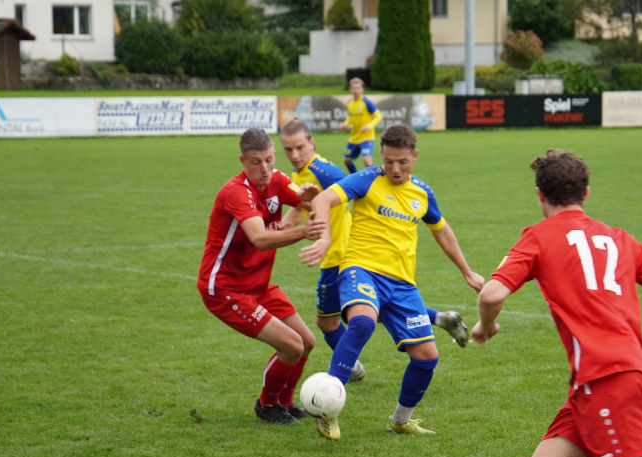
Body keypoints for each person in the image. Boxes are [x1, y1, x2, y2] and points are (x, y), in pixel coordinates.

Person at [471, 150, 642, 457]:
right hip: (595, 382)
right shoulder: (618, 238)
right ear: (586, 193)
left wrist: (484, 327)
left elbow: (490, 295)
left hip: (605, 376)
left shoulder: (538, 236)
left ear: (540, 195)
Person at [300, 123, 485, 440]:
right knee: (362, 323)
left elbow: (441, 230)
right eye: (388, 161)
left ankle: (400, 421)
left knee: (427, 357)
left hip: (401, 284)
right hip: (361, 269)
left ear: (415, 155)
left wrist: (466, 270)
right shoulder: (368, 179)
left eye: (402, 161)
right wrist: (327, 234)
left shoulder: (422, 193)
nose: (395, 169)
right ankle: (327, 406)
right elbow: (322, 200)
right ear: (381, 157)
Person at [278, 119, 471, 388]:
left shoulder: (325, 171)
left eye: (299, 147)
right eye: (288, 149)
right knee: (354, 315)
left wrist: (325, 234)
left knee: (337, 319)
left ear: (312, 143)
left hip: (344, 256)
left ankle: (351, 374)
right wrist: (285, 225)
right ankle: (435, 318)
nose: (294, 154)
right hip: (347, 258)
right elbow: (307, 204)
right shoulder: (303, 173)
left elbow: (337, 194)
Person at [197, 128, 325, 425]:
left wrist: (312, 201)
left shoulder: (278, 179)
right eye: (256, 162)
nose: (264, 168)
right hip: (225, 289)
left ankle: (286, 402)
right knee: (291, 346)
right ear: (243, 161)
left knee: (306, 341)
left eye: (268, 160)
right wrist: (302, 230)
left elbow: (308, 203)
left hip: (257, 284)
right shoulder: (236, 192)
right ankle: (266, 405)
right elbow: (259, 238)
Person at [341, 77, 383, 174]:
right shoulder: (349, 103)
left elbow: (378, 116)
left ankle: (375, 179)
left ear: (362, 89)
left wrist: (369, 126)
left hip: (366, 137)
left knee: (367, 161)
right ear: (350, 89)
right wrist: (346, 124)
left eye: (358, 88)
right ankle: (355, 177)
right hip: (354, 138)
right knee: (346, 161)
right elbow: (350, 117)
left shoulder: (366, 102)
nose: (356, 90)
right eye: (354, 88)